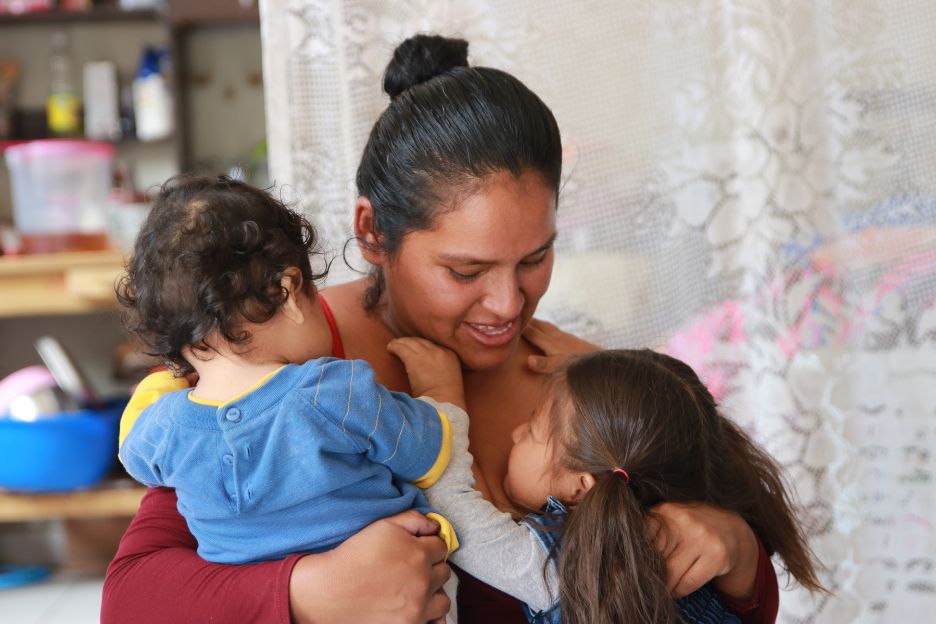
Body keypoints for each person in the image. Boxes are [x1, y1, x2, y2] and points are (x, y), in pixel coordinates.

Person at [102, 34, 778, 624]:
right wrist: (306, 593)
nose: (510, 304)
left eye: (535, 259)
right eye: (466, 269)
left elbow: (738, 604)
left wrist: (736, 550)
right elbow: (131, 602)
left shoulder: (580, 382)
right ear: (371, 232)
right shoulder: (264, 362)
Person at [114, 174, 462, 565]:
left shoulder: (165, 429)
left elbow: (133, 453)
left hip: (272, 608)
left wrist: (160, 385)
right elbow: (430, 456)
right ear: (290, 291)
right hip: (399, 588)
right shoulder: (332, 393)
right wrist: (441, 391)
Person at [390, 338, 824, 624]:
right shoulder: (667, 540)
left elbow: (456, 510)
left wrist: (440, 400)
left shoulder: (566, 566)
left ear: (580, 486)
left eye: (534, 429)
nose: (516, 433)